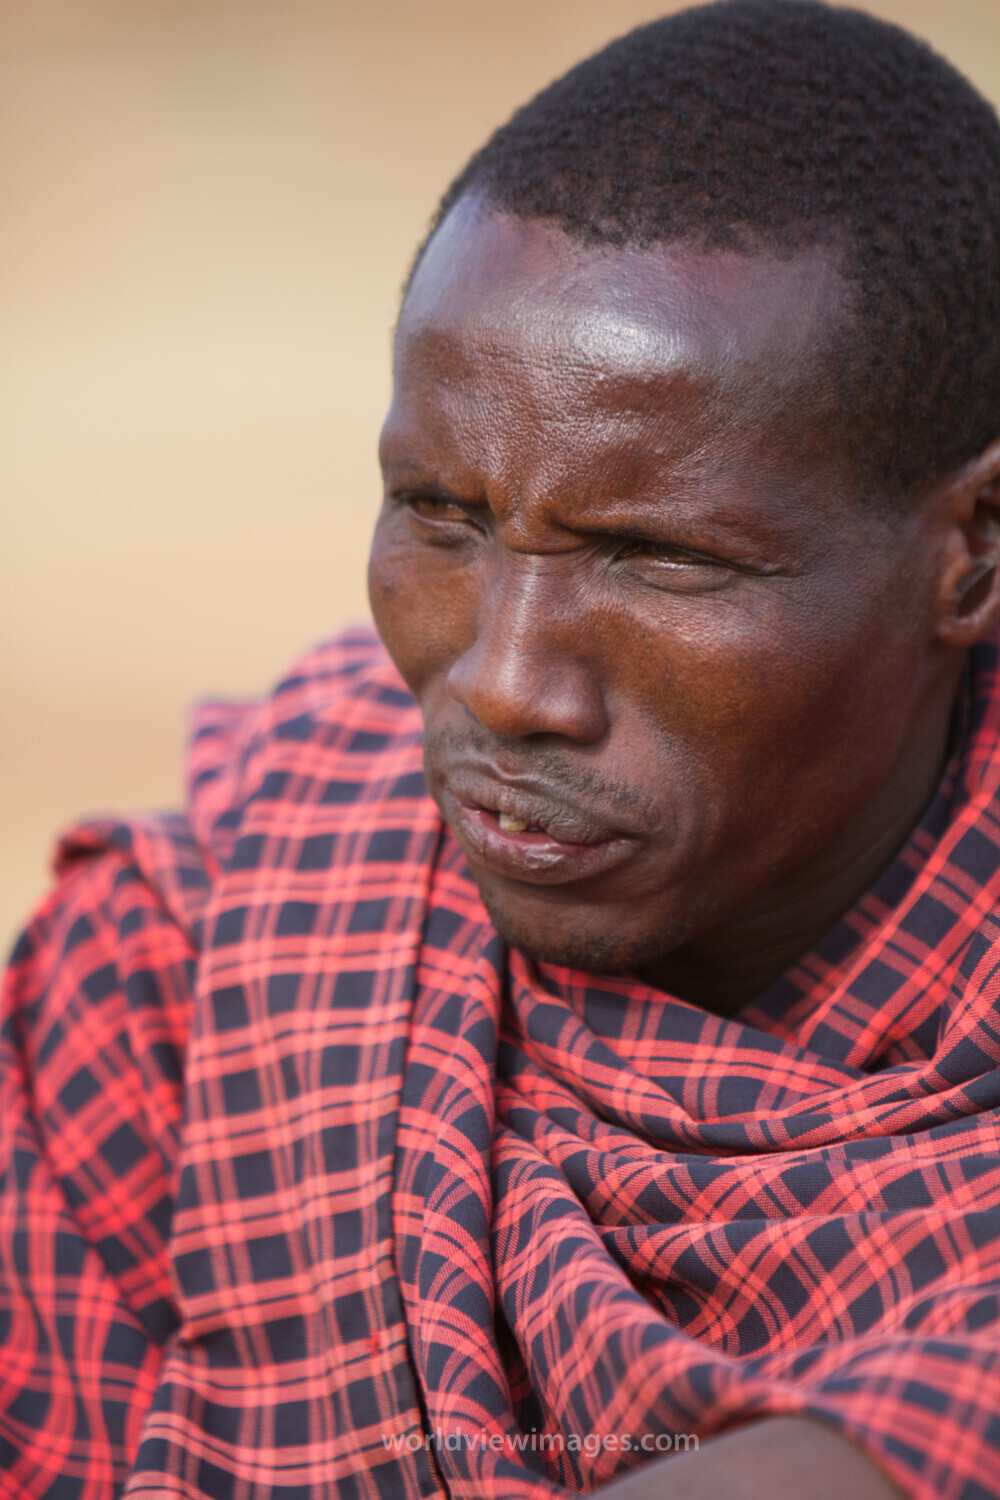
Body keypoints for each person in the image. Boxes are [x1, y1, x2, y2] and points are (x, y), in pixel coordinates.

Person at [6, 0, 1000, 1495]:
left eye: (663, 557)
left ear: (973, 550)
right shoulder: (182, 990)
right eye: (442, 517)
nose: (507, 683)